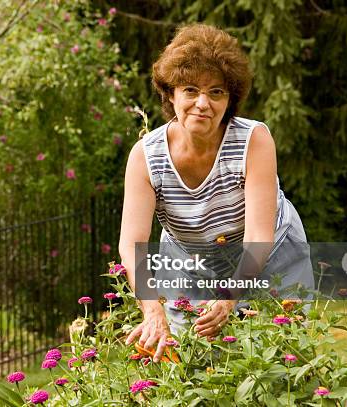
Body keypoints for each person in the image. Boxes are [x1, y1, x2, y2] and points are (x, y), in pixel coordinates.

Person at [119, 24, 314, 362]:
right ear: (170, 94)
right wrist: (152, 310)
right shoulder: (145, 157)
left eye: (216, 92)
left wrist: (229, 297)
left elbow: (258, 237)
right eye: (190, 90)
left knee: (280, 360)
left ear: (230, 98)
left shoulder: (254, 140)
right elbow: (130, 244)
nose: (202, 104)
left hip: (272, 258)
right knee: (194, 363)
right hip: (189, 264)